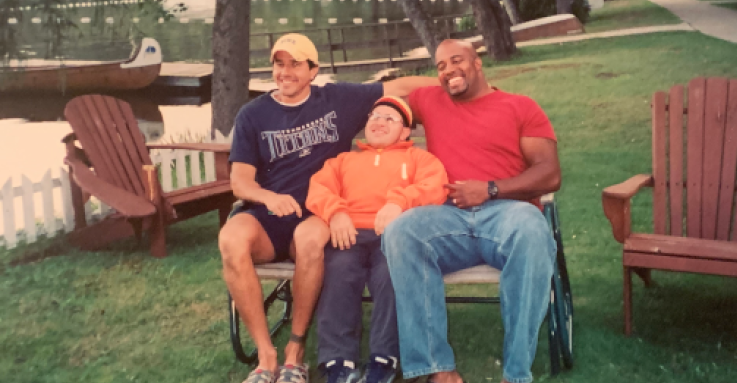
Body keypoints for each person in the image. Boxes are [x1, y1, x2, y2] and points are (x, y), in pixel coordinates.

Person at [218, 33, 438, 383]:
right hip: (269, 212)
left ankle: (295, 349)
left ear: (313, 70)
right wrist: (267, 197)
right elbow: (240, 182)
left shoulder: (338, 99)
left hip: (318, 213)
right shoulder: (253, 114)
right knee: (231, 241)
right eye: (279, 63)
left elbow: (398, 87)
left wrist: (455, 81)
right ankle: (265, 356)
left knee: (311, 243)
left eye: (295, 64)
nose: (285, 72)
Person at [381, 39, 562, 383]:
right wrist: (441, 80)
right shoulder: (431, 100)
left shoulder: (519, 106)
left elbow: (550, 173)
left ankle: (516, 372)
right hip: (448, 218)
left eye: (457, 61)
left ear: (478, 62)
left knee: (532, 228)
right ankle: (438, 369)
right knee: (401, 231)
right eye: (440, 66)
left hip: (507, 213)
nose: (448, 70)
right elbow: (387, 92)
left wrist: (490, 188)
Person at [306, 96, 448, 383]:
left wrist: (399, 202)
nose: (379, 122)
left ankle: (384, 359)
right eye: (374, 116)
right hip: (349, 232)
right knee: (338, 271)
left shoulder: (418, 158)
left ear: (405, 132)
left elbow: (435, 187)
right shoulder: (344, 161)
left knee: (391, 275)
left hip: (394, 235)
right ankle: (338, 361)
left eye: (389, 118)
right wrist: (335, 213)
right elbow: (319, 188)